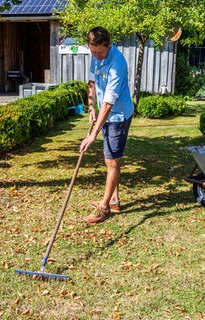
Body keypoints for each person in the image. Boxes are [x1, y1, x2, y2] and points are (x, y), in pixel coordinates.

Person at [79, 26, 134, 224]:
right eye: (93, 52)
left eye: (100, 52)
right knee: (110, 158)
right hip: (105, 113)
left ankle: (105, 208)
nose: (96, 56)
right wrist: (91, 105)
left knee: (112, 161)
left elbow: (109, 102)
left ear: (109, 45)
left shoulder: (117, 64)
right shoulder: (96, 55)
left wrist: (93, 134)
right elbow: (92, 82)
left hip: (118, 115)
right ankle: (114, 200)